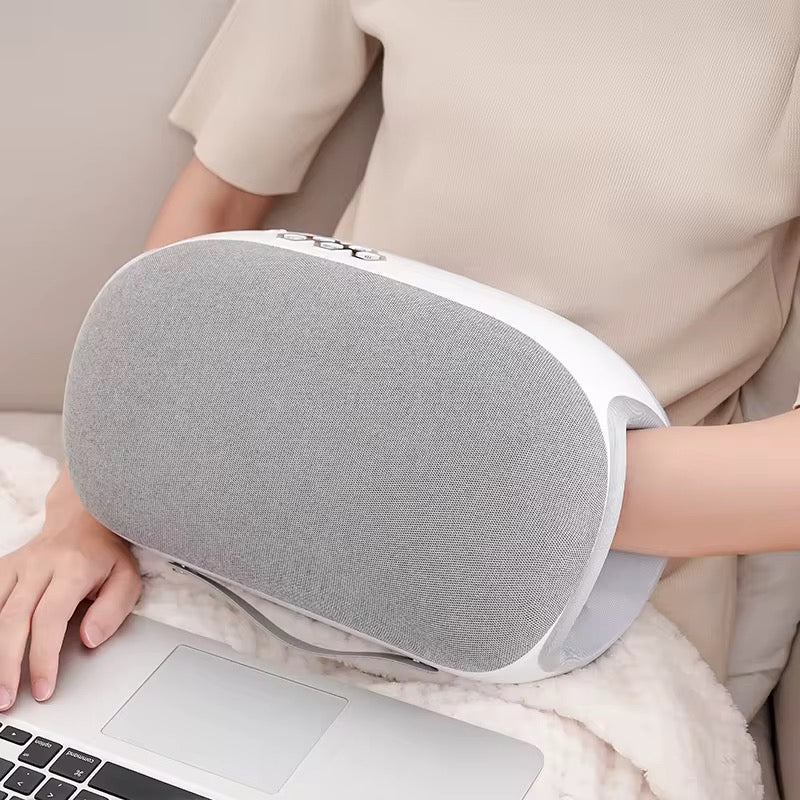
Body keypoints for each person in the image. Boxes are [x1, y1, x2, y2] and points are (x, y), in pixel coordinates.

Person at [1, 0, 798, 712]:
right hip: (271, 503)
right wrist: (92, 503)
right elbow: (217, 202)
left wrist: (477, 485)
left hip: (590, 608)